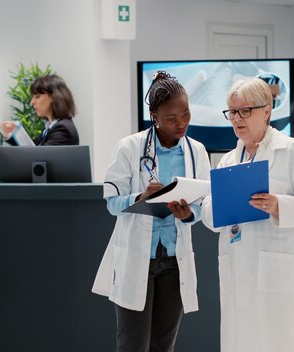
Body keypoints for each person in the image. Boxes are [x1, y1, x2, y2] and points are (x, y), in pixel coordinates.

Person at [201, 77, 294, 352]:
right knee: (239, 341)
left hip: (277, 273)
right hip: (238, 269)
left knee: (276, 341)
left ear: (267, 111)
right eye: (233, 112)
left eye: (245, 111)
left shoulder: (291, 151)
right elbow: (210, 216)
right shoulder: (227, 160)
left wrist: (278, 205)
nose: (237, 119)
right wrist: (217, 208)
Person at [92, 71, 211, 352]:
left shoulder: (198, 152)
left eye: (186, 114)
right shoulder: (129, 148)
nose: (181, 123)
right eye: (171, 118)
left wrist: (189, 214)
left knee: (163, 346)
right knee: (133, 346)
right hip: (138, 259)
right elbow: (111, 201)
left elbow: (203, 201)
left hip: (173, 260)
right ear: (154, 117)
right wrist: (140, 196)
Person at [0, 74, 79, 172]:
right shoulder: (51, 127)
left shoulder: (62, 129)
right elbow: (29, 150)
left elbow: (35, 159)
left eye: (37, 96)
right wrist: (13, 135)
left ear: (54, 97)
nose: (32, 102)